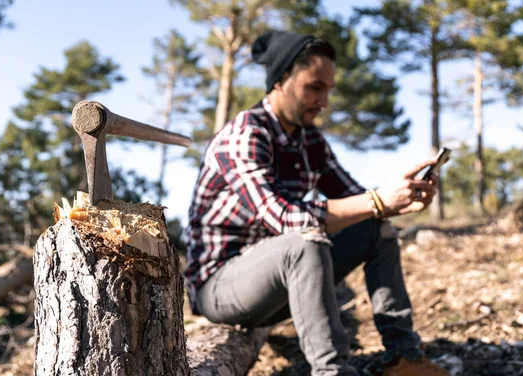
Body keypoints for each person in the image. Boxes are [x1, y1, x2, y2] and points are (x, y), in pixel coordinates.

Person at [184, 30, 449, 376]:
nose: (324, 101)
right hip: (220, 288)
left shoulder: (311, 141)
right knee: (303, 243)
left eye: (328, 90)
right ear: (280, 80)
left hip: (278, 283)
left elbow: (357, 201)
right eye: (314, 87)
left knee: (375, 227)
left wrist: (400, 199)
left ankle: (404, 358)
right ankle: (331, 371)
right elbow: (284, 219)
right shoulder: (245, 134)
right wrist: (375, 201)